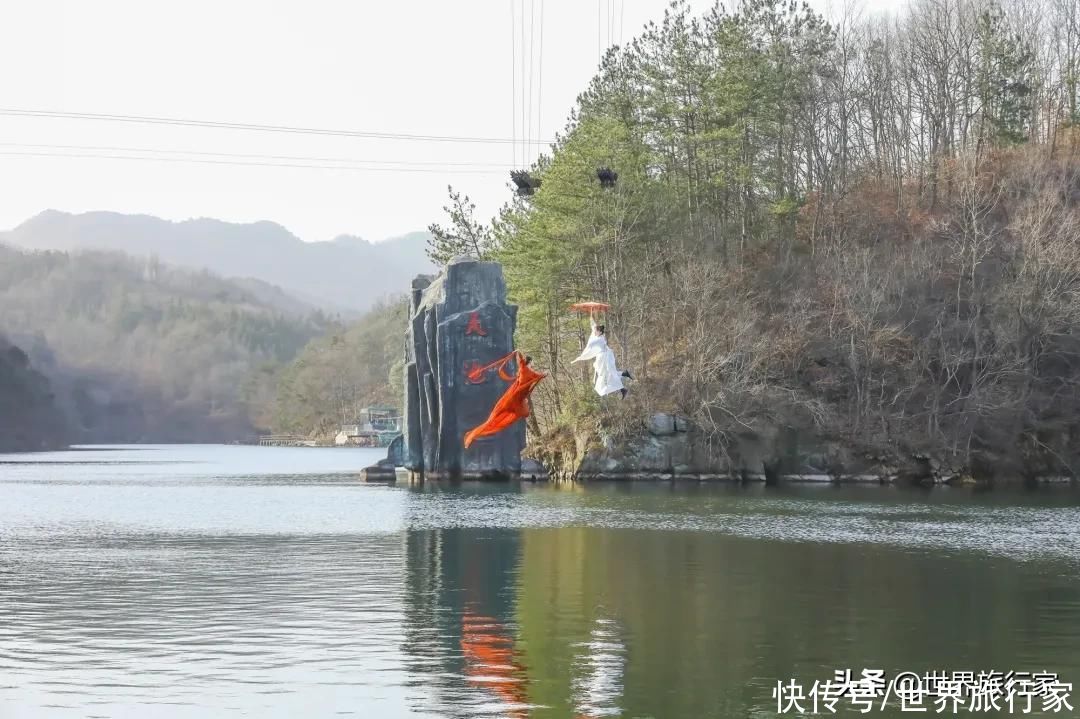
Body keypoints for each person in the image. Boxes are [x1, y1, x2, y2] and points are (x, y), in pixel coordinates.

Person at [463, 352, 545, 448]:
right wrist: (518, 353)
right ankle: (475, 434)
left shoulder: (528, 371)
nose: (533, 365)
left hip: (517, 398)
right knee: (502, 416)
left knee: (515, 415)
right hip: (514, 397)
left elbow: (537, 375)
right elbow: (523, 361)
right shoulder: (524, 369)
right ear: (529, 362)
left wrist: (543, 375)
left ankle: (477, 434)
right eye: (532, 363)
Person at [571, 316, 633, 398]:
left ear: (600, 332)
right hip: (603, 357)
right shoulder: (599, 336)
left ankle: (622, 386)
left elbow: (590, 344)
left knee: (608, 375)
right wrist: (591, 315)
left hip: (604, 359)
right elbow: (593, 326)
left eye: (596, 331)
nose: (594, 332)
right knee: (609, 373)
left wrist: (581, 356)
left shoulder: (599, 339)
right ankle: (624, 378)